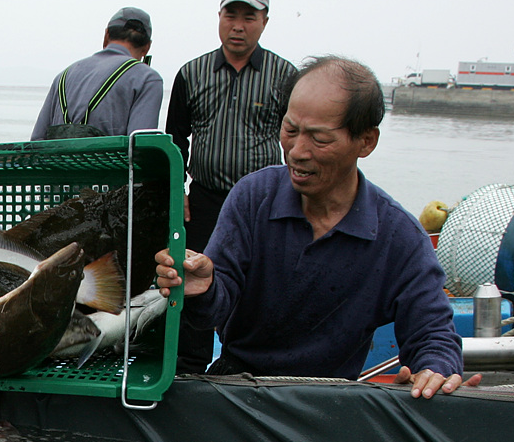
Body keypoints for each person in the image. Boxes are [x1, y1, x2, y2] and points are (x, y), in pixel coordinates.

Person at [155, 56, 480, 399]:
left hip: (333, 399)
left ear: (366, 141)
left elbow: (433, 334)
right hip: (238, 386)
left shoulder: (398, 236)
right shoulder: (252, 198)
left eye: (319, 139)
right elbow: (214, 310)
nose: (296, 151)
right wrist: (202, 288)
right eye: (290, 130)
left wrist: (434, 370)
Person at [165, 0, 297, 372]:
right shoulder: (192, 73)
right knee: (194, 278)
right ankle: (190, 368)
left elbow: (295, 138)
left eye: (248, 17)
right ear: (219, 18)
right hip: (204, 200)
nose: (238, 26)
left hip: (265, 203)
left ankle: (254, 364)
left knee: (262, 281)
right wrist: (178, 191)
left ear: (264, 22)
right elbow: (175, 138)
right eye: (231, 15)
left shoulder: (284, 75)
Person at [30, 7, 162, 140]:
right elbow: (141, 146)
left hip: (59, 161)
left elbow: (36, 141)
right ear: (147, 47)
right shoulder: (147, 79)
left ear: (106, 35)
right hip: (112, 161)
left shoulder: (63, 77)